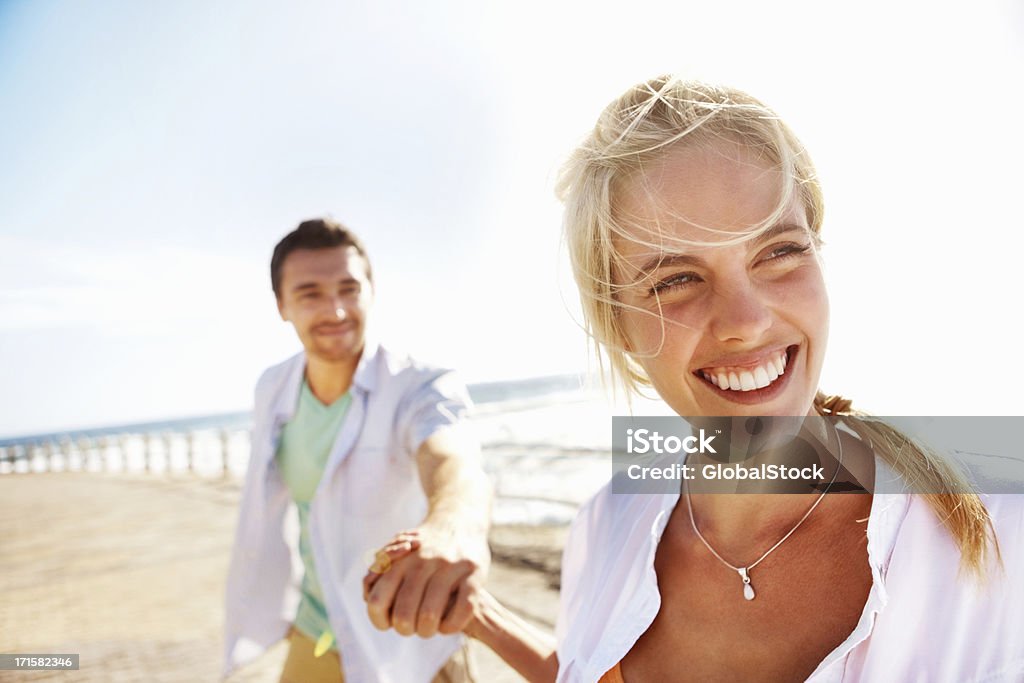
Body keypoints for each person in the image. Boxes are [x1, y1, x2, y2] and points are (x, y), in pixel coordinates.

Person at [454, 77, 1024, 681]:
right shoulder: (603, 528)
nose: (746, 323)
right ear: (618, 324)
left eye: (778, 252)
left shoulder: (1000, 530)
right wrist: (482, 617)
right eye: (675, 279)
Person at [223, 218, 492, 683]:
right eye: (310, 293)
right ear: (281, 306)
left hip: (408, 630)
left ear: (371, 291)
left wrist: (450, 526)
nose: (337, 310)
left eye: (350, 289)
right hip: (314, 625)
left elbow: (452, 457)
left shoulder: (417, 384)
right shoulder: (273, 387)